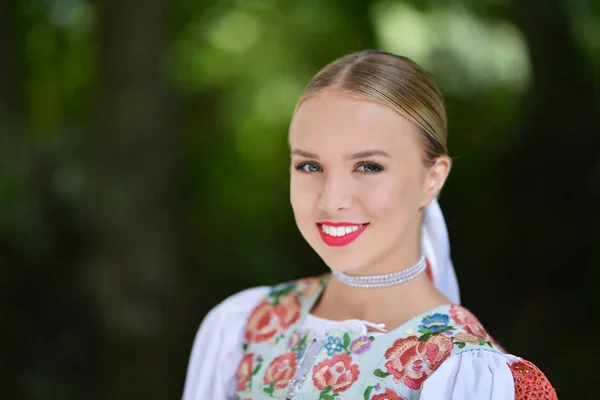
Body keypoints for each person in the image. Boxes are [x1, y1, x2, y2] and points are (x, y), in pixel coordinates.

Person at [182, 50, 557, 399]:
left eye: (368, 167)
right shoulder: (242, 325)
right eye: (310, 166)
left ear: (433, 179)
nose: (332, 200)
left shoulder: (463, 372)